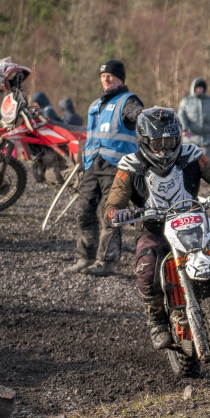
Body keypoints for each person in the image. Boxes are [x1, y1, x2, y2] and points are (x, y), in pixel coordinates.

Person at [104, 106, 210, 350]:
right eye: (158, 142)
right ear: (145, 140)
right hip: (154, 230)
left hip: (192, 224)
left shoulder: (191, 155)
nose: (165, 148)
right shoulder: (129, 165)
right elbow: (112, 203)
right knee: (146, 269)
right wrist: (117, 212)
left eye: (170, 141)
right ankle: (157, 320)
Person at [66, 60, 144, 276]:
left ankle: (106, 262)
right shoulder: (95, 105)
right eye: (103, 75)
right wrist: (83, 163)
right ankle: (85, 257)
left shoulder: (128, 101)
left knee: (109, 214)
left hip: (117, 167)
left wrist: (145, 118)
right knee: (84, 211)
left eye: (111, 75)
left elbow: (138, 116)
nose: (106, 78)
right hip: (92, 165)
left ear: (121, 78)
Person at [176, 78, 210, 160]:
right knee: (190, 162)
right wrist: (184, 129)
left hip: (209, 137)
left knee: (206, 162)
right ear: (193, 88)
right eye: (197, 87)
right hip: (191, 137)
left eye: (201, 88)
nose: (199, 89)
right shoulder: (186, 101)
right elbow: (181, 115)